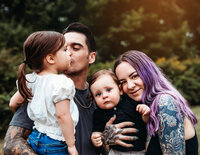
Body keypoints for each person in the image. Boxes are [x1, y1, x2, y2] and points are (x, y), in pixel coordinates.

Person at [3, 23, 136, 155]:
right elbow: (11, 144)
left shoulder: (102, 96)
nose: (69, 53)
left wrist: (104, 139)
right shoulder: (40, 89)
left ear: (91, 57)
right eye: (64, 48)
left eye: (75, 48)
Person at [113, 50, 199, 155]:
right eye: (123, 82)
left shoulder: (165, 103)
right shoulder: (144, 109)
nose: (130, 86)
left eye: (134, 76)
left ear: (148, 72)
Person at [9, 31, 79, 155]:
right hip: (55, 143)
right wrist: (71, 145)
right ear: (51, 58)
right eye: (64, 50)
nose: (69, 53)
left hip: (35, 137)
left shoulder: (31, 80)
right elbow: (63, 116)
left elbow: (13, 103)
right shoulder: (62, 83)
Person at [89, 69, 150, 155]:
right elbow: (97, 130)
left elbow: (145, 122)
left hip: (139, 151)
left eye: (109, 90)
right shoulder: (98, 114)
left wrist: (145, 112)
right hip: (115, 152)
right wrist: (96, 136)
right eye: (98, 94)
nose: (104, 96)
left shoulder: (130, 102)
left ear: (120, 90)